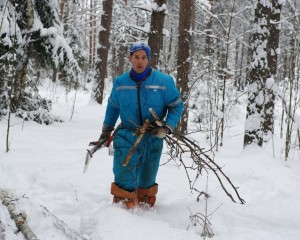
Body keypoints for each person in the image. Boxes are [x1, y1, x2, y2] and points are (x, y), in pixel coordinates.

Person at [98, 41, 184, 209]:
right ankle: (123, 206)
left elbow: (176, 105)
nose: (140, 61)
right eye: (136, 57)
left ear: (148, 59)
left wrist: (167, 128)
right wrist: (106, 130)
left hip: (153, 135)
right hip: (127, 133)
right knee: (123, 171)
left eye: (144, 57)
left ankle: (145, 206)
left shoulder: (163, 81)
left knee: (147, 175)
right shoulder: (120, 82)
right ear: (130, 58)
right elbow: (113, 107)